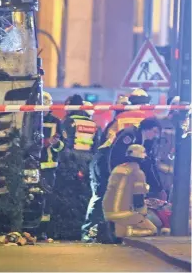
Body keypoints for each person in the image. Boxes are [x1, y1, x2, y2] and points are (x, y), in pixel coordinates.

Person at [81, 117, 163, 243]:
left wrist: (158, 187)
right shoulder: (130, 134)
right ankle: (88, 232)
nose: (155, 135)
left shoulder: (144, 142)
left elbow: (148, 164)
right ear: (147, 128)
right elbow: (113, 156)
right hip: (103, 165)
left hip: (118, 171)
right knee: (100, 195)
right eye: (154, 131)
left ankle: (106, 232)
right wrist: (112, 177)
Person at [50, 94, 100, 240]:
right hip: (89, 163)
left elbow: (65, 144)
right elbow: (96, 147)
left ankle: (66, 231)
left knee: (67, 197)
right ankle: (84, 231)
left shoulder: (68, 122)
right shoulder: (93, 124)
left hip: (71, 163)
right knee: (85, 198)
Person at [103, 144, 157, 238]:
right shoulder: (138, 173)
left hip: (107, 210)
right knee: (152, 229)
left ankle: (116, 231)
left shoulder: (117, 168)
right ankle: (122, 234)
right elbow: (138, 201)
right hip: (123, 213)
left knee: (127, 223)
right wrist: (143, 214)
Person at [39, 91, 64, 236]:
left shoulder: (56, 121)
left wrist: (55, 143)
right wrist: (45, 142)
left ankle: (43, 231)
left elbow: (62, 146)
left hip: (48, 167)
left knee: (46, 200)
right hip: (31, 165)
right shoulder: (28, 117)